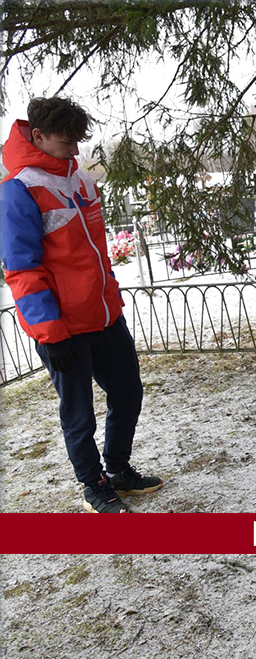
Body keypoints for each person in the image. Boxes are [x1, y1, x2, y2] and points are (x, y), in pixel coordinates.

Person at [0, 97, 163, 513]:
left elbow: (97, 252)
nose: (74, 150)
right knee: (79, 414)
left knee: (128, 394)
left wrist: (112, 300)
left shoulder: (82, 181)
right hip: (63, 328)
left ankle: (119, 470)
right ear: (37, 136)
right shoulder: (19, 190)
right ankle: (93, 484)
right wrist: (50, 334)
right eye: (66, 141)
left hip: (105, 317)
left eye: (78, 141)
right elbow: (22, 270)